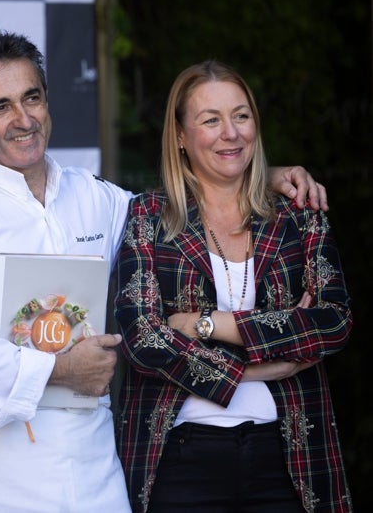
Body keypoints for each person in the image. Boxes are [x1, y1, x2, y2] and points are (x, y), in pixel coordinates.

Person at [0, 29, 328, 512]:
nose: (24, 120)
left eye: (32, 98)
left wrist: (255, 176)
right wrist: (60, 370)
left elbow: (188, 210)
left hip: (94, 468)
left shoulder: (96, 196)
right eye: (0, 107)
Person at [113, 59, 352, 512]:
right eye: (211, 120)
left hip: (290, 456)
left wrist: (206, 324)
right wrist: (257, 367)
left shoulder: (298, 215)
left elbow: (333, 321)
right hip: (180, 456)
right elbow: (142, 338)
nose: (231, 133)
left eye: (241, 116)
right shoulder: (149, 217)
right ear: (181, 136)